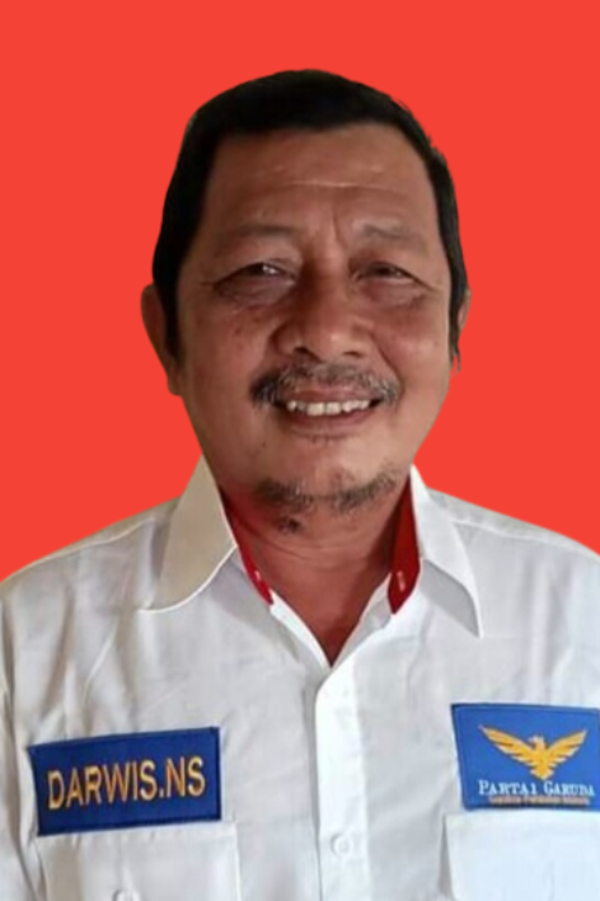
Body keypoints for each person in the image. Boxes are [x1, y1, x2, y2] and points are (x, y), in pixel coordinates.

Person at [2, 70, 600, 901]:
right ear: (166, 335)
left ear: (455, 323)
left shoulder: (583, 625)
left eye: (386, 271)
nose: (326, 329)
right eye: (261, 270)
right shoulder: (24, 656)